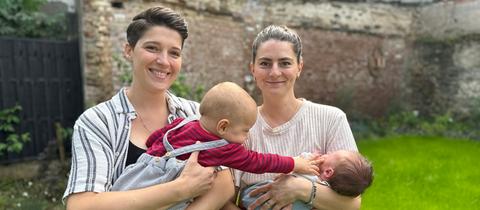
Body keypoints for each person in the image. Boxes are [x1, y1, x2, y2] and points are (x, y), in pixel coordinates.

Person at [63, 6, 234, 210]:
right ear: (129, 50)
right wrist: (182, 189)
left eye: (174, 53)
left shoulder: (194, 113)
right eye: (152, 48)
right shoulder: (97, 121)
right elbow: (82, 205)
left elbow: (224, 183)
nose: (163, 61)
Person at [111, 82, 321, 209]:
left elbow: (156, 137)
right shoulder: (222, 147)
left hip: (139, 175)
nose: (246, 138)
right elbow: (257, 161)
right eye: (245, 131)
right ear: (223, 126)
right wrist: (294, 163)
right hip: (166, 190)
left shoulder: (185, 121)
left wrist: (152, 152)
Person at [226, 25, 362, 210]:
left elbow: (352, 203)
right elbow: (225, 201)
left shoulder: (331, 119)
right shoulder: (238, 127)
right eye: (265, 63)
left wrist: (300, 188)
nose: (274, 72)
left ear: (299, 67)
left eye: (285, 63)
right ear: (253, 69)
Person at [241, 150, 373, 209]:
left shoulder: (310, 175)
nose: (325, 154)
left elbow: (289, 169)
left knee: (250, 195)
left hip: (257, 199)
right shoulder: (329, 193)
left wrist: (305, 161)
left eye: (330, 154)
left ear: (328, 172)